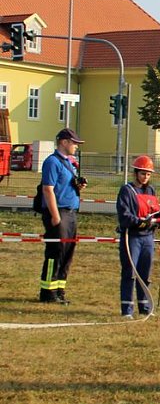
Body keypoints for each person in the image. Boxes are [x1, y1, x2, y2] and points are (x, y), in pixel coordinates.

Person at [38, 128, 86, 304]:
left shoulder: (70, 163)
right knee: (55, 252)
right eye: (74, 143)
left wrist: (78, 186)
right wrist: (55, 216)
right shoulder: (52, 162)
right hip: (59, 212)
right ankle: (48, 292)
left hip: (71, 212)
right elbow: (47, 189)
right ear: (64, 142)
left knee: (67, 254)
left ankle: (59, 290)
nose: (76, 147)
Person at [116, 155, 160, 318]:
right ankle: (127, 309)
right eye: (143, 173)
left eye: (148, 174)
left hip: (147, 238)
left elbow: (155, 210)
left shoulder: (151, 190)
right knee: (130, 272)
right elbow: (125, 216)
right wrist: (141, 222)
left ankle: (145, 307)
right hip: (132, 238)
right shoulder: (127, 191)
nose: (145, 177)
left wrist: (158, 219)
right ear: (136, 173)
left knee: (145, 273)